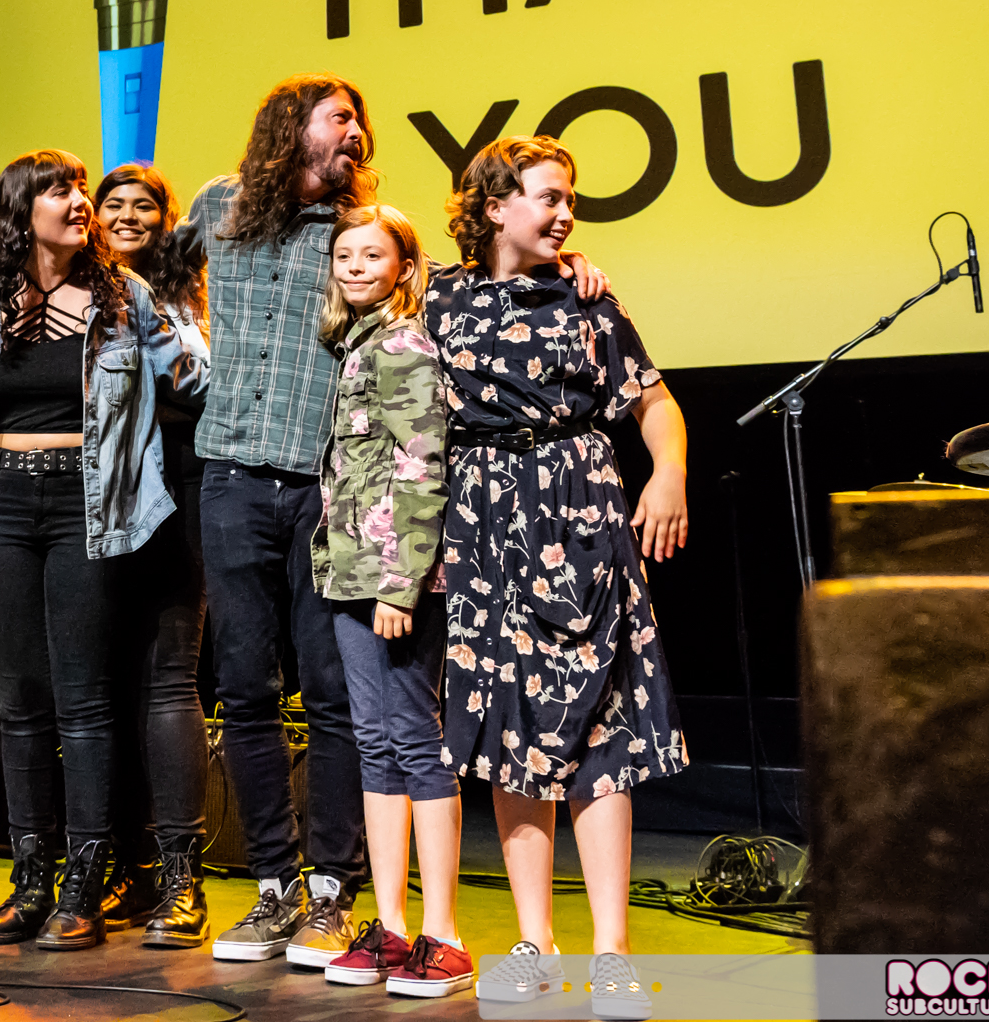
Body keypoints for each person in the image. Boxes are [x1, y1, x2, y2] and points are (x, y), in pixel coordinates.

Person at [172, 73, 607, 966]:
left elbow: (447, 279)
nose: (357, 132)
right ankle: (273, 887)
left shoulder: (358, 233)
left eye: (361, 120)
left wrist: (561, 268)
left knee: (336, 698)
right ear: (291, 127)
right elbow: (152, 267)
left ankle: (333, 893)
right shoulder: (218, 204)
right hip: (230, 475)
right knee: (245, 689)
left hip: (324, 492)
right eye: (340, 118)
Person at [428, 136, 689, 1022]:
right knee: (511, 724)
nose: (566, 213)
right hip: (481, 521)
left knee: (600, 724)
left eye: (570, 199)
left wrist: (668, 473)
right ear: (494, 205)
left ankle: (611, 951)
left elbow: (652, 399)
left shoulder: (587, 296)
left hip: (579, 512)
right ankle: (534, 943)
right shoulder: (437, 296)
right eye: (548, 197)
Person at [0, 150, 207, 951]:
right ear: (19, 210)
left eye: (78, 189)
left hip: (87, 506)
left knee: (84, 700)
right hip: (0, 507)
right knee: (21, 699)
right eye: (58, 190)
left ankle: (84, 882)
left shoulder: (122, 295)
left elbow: (194, 378)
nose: (79, 202)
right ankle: (30, 879)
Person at [312, 205, 473, 999]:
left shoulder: (403, 343)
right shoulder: (358, 341)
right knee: (375, 743)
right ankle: (392, 927)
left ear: (405, 268)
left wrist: (401, 582)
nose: (353, 266)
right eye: (344, 254)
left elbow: (421, 461)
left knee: (413, 738)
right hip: (350, 570)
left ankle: (443, 934)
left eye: (371, 255)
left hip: (391, 578)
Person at [93, 165, 211, 948]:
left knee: (168, 678)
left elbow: (203, 388)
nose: (129, 216)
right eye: (115, 204)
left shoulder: (188, 296)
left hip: (178, 487)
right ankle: (125, 870)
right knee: (100, 686)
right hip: (93, 494)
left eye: (146, 206)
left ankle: (180, 879)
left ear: (167, 221)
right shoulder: (67, 292)